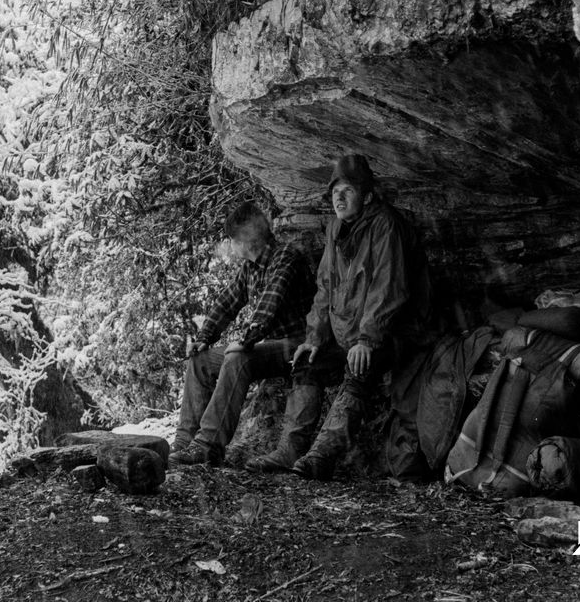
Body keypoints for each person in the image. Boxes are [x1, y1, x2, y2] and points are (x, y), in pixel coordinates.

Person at [246, 153, 433, 479]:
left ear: (367, 196)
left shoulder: (385, 225)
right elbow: (325, 287)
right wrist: (314, 337)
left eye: (348, 191)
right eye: (335, 192)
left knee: (360, 367)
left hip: (393, 332)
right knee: (307, 362)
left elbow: (389, 289)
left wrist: (367, 340)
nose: (339, 198)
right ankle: (289, 450)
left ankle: (321, 457)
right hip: (350, 332)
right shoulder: (335, 227)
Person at [170, 202, 316, 466]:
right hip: (272, 345)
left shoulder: (285, 257)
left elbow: (271, 301)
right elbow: (227, 303)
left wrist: (247, 339)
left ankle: (208, 446)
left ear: (246, 239)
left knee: (237, 358)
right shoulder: (250, 267)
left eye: (232, 239)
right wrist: (204, 338)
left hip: (298, 344)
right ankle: (184, 441)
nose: (230, 245)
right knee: (201, 360)